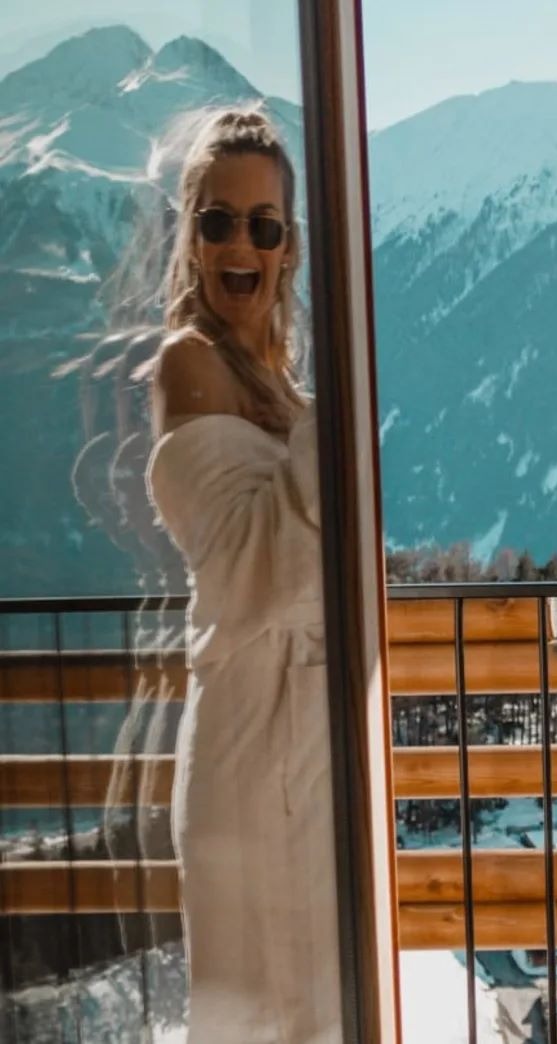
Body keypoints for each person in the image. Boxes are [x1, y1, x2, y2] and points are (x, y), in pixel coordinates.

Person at [142, 106, 340, 1042]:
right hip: (254, 743)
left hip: (303, 740)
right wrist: (339, 413)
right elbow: (254, 563)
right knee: (268, 1014)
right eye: (219, 220)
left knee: (310, 1008)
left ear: (288, 247)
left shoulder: (283, 383)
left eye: (264, 226)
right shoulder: (188, 362)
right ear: (191, 234)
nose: (240, 245)